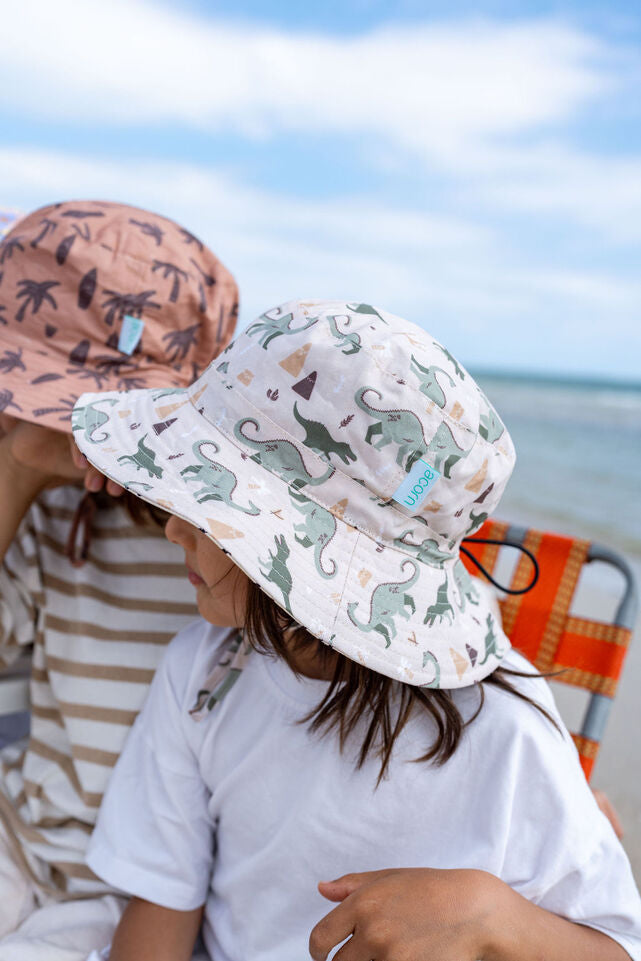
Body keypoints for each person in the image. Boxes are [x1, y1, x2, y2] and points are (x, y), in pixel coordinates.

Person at [74, 299, 641, 961]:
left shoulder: (504, 731)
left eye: (204, 509)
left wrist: (493, 914)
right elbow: (163, 900)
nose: (171, 526)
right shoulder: (203, 672)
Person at [0, 200, 237, 959]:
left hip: (136, 897)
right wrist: (16, 473)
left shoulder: (226, 550)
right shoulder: (54, 507)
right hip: (22, 838)